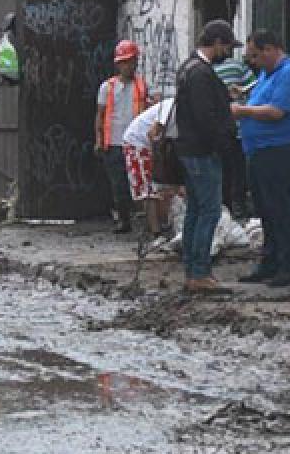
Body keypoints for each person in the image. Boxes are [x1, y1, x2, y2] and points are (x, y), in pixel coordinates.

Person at [231, 30, 290, 288]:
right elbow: (260, 94)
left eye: (256, 56)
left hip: (278, 149)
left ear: (270, 49)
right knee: (264, 208)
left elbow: (277, 111)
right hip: (258, 149)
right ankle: (270, 260)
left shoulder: (289, 73)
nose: (254, 62)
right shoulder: (267, 74)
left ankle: (288, 264)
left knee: (278, 206)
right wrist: (243, 94)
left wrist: (243, 111)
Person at [173, 19, 238, 293]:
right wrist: (222, 141)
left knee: (196, 211)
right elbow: (204, 116)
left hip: (191, 150)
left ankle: (193, 268)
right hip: (202, 151)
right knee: (209, 210)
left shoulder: (189, 68)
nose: (228, 53)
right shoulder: (200, 73)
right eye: (226, 46)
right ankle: (199, 271)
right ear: (218, 43)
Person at [95, 40, 152, 233]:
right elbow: (100, 115)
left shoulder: (142, 86)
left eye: (130, 61)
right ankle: (124, 220)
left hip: (135, 142)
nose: (127, 66)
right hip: (114, 142)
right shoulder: (107, 87)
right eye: (124, 62)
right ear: (118, 64)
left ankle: (143, 220)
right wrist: (99, 139)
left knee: (138, 182)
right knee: (118, 184)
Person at [121, 96, 177, 240]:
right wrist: (157, 160)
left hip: (157, 145)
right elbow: (152, 133)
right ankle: (156, 232)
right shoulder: (171, 107)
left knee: (161, 187)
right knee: (147, 188)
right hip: (138, 143)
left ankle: (164, 226)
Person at [212, 55, 258, 218]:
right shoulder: (238, 67)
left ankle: (226, 206)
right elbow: (255, 89)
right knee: (238, 169)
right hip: (239, 127)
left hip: (219, 130)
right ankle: (238, 205)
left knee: (224, 169)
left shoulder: (206, 70)